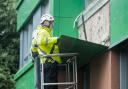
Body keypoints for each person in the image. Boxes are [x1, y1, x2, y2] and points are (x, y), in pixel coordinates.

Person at [31, 14, 62, 89]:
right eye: (51, 23)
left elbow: (35, 47)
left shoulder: (43, 32)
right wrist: (56, 39)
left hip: (48, 62)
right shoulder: (43, 32)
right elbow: (41, 41)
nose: (52, 25)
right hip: (49, 62)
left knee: (50, 84)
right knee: (51, 85)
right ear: (46, 23)